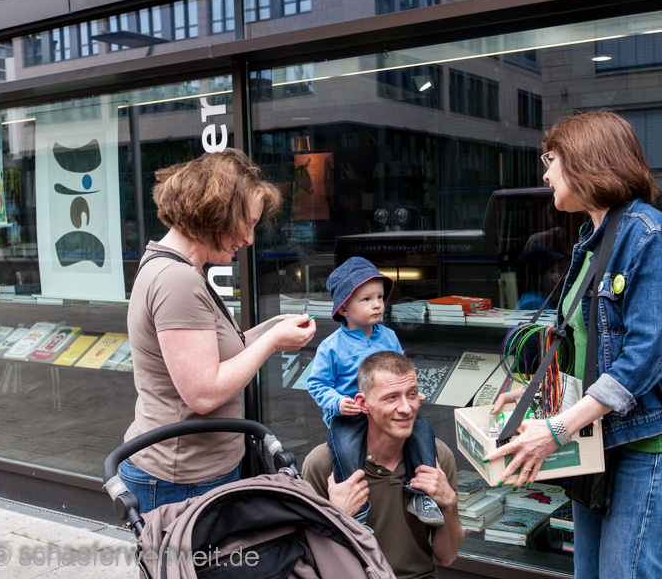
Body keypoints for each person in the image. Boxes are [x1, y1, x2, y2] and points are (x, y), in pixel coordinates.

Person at [487, 110, 662, 579]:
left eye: (550, 160)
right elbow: (589, 345)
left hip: (647, 446)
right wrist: (538, 393)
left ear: (585, 161)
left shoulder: (651, 234)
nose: (545, 175)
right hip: (598, 439)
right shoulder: (595, 236)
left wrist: (556, 430)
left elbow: (644, 358)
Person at [119, 148, 317, 514]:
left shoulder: (179, 268)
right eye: (247, 224)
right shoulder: (177, 279)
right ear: (215, 214)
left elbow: (217, 352)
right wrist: (272, 341)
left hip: (192, 473)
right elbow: (203, 392)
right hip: (181, 480)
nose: (250, 239)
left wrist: (272, 328)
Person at [306, 257, 444, 528]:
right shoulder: (331, 347)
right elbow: (317, 384)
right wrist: (337, 402)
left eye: (380, 297)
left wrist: (410, 395)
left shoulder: (389, 336)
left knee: (423, 430)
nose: (377, 304)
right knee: (345, 450)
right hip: (351, 416)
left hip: (387, 411)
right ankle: (356, 508)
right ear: (343, 308)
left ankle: (421, 494)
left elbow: (402, 371)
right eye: (366, 299)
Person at [302, 351, 463, 579]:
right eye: (391, 397)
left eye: (412, 394)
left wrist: (449, 503)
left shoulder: (437, 457)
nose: (406, 408)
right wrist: (338, 516)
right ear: (363, 403)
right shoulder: (322, 464)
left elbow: (447, 556)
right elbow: (310, 560)